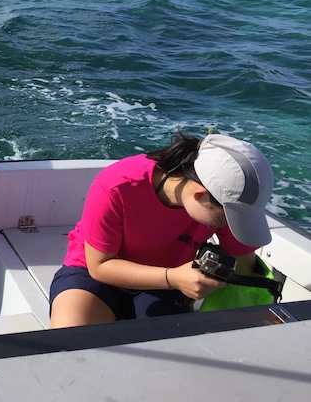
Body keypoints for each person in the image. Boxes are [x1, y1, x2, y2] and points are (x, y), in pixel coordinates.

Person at [49, 131, 274, 328]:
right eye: (228, 220)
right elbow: (99, 266)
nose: (229, 227)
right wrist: (174, 278)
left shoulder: (219, 204)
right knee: (71, 344)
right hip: (94, 276)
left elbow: (244, 268)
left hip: (165, 285)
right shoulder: (117, 185)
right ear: (200, 196)